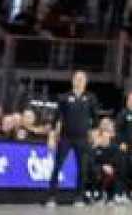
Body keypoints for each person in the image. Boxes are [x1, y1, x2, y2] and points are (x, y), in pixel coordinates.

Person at [47, 70, 97, 207]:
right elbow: (56, 118)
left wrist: (94, 135)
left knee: (82, 168)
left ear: (86, 82)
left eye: (82, 79)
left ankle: (79, 197)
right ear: (73, 81)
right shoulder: (63, 97)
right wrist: (52, 137)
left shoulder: (91, 98)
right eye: (77, 78)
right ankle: (51, 197)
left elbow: (95, 119)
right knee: (57, 166)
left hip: (82, 139)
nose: (80, 81)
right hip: (65, 137)